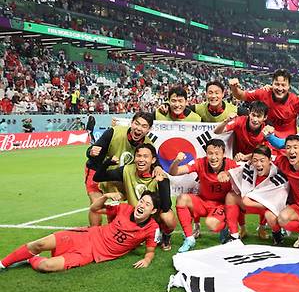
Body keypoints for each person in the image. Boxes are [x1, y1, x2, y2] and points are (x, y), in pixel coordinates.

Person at [0, 192, 160, 273]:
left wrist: (146, 260)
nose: (142, 205)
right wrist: (105, 196)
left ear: (153, 210)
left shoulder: (152, 228)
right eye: (141, 201)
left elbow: (150, 251)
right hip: (87, 235)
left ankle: (30, 260)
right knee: (40, 243)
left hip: (92, 254)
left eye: (147, 204)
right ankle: (3, 263)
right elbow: (94, 209)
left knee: (46, 266)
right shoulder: (124, 208)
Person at [93, 144, 175, 251]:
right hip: (135, 215)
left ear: (153, 160)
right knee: (115, 208)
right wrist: (107, 162)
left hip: (153, 214)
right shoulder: (127, 170)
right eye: (138, 156)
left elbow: (166, 206)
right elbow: (98, 177)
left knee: (167, 217)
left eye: (145, 157)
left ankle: (165, 235)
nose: (141, 160)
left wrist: (162, 184)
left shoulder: (160, 175)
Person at [168, 139, 238, 253]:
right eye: (210, 153)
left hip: (221, 205)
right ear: (206, 153)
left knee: (212, 224)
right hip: (203, 203)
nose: (213, 157)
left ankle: (225, 227)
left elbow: (246, 172)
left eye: (217, 154)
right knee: (182, 199)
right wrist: (176, 161)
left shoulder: (231, 164)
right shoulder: (200, 162)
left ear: (223, 154)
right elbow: (174, 172)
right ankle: (189, 239)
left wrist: (229, 173)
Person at [85, 112, 154, 226]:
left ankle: (112, 233)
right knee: (96, 202)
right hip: (96, 170)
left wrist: (158, 168)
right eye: (137, 124)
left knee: (114, 206)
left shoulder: (148, 144)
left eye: (144, 126)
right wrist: (90, 152)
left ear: (149, 130)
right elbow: (93, 150)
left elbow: (154, 162)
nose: (139, 128)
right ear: (131, 123)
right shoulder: (113, 132)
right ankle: (94, 232)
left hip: (118, 175)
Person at [225, 144, 290, 244]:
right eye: (255, 160)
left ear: (269, 160)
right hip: (252, 204)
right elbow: (234, 170)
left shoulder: (278, 176)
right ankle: (234, 236)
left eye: (262, 160)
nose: (258, 164)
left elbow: (278, 203)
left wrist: (250, 203)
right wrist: (224, 174)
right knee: (231, 196)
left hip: (268, 208)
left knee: (270, 215)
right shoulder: (249, 168)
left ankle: (277, 234)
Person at [229, 69, 299, 138]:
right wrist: (234, 87)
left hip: (287, 143)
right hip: (266, 141)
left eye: (283, 85)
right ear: (272, 84)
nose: (280, 88)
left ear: (289, 86)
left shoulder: (296, 101)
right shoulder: (264, 93)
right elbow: (241, 95)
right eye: (277, 84)